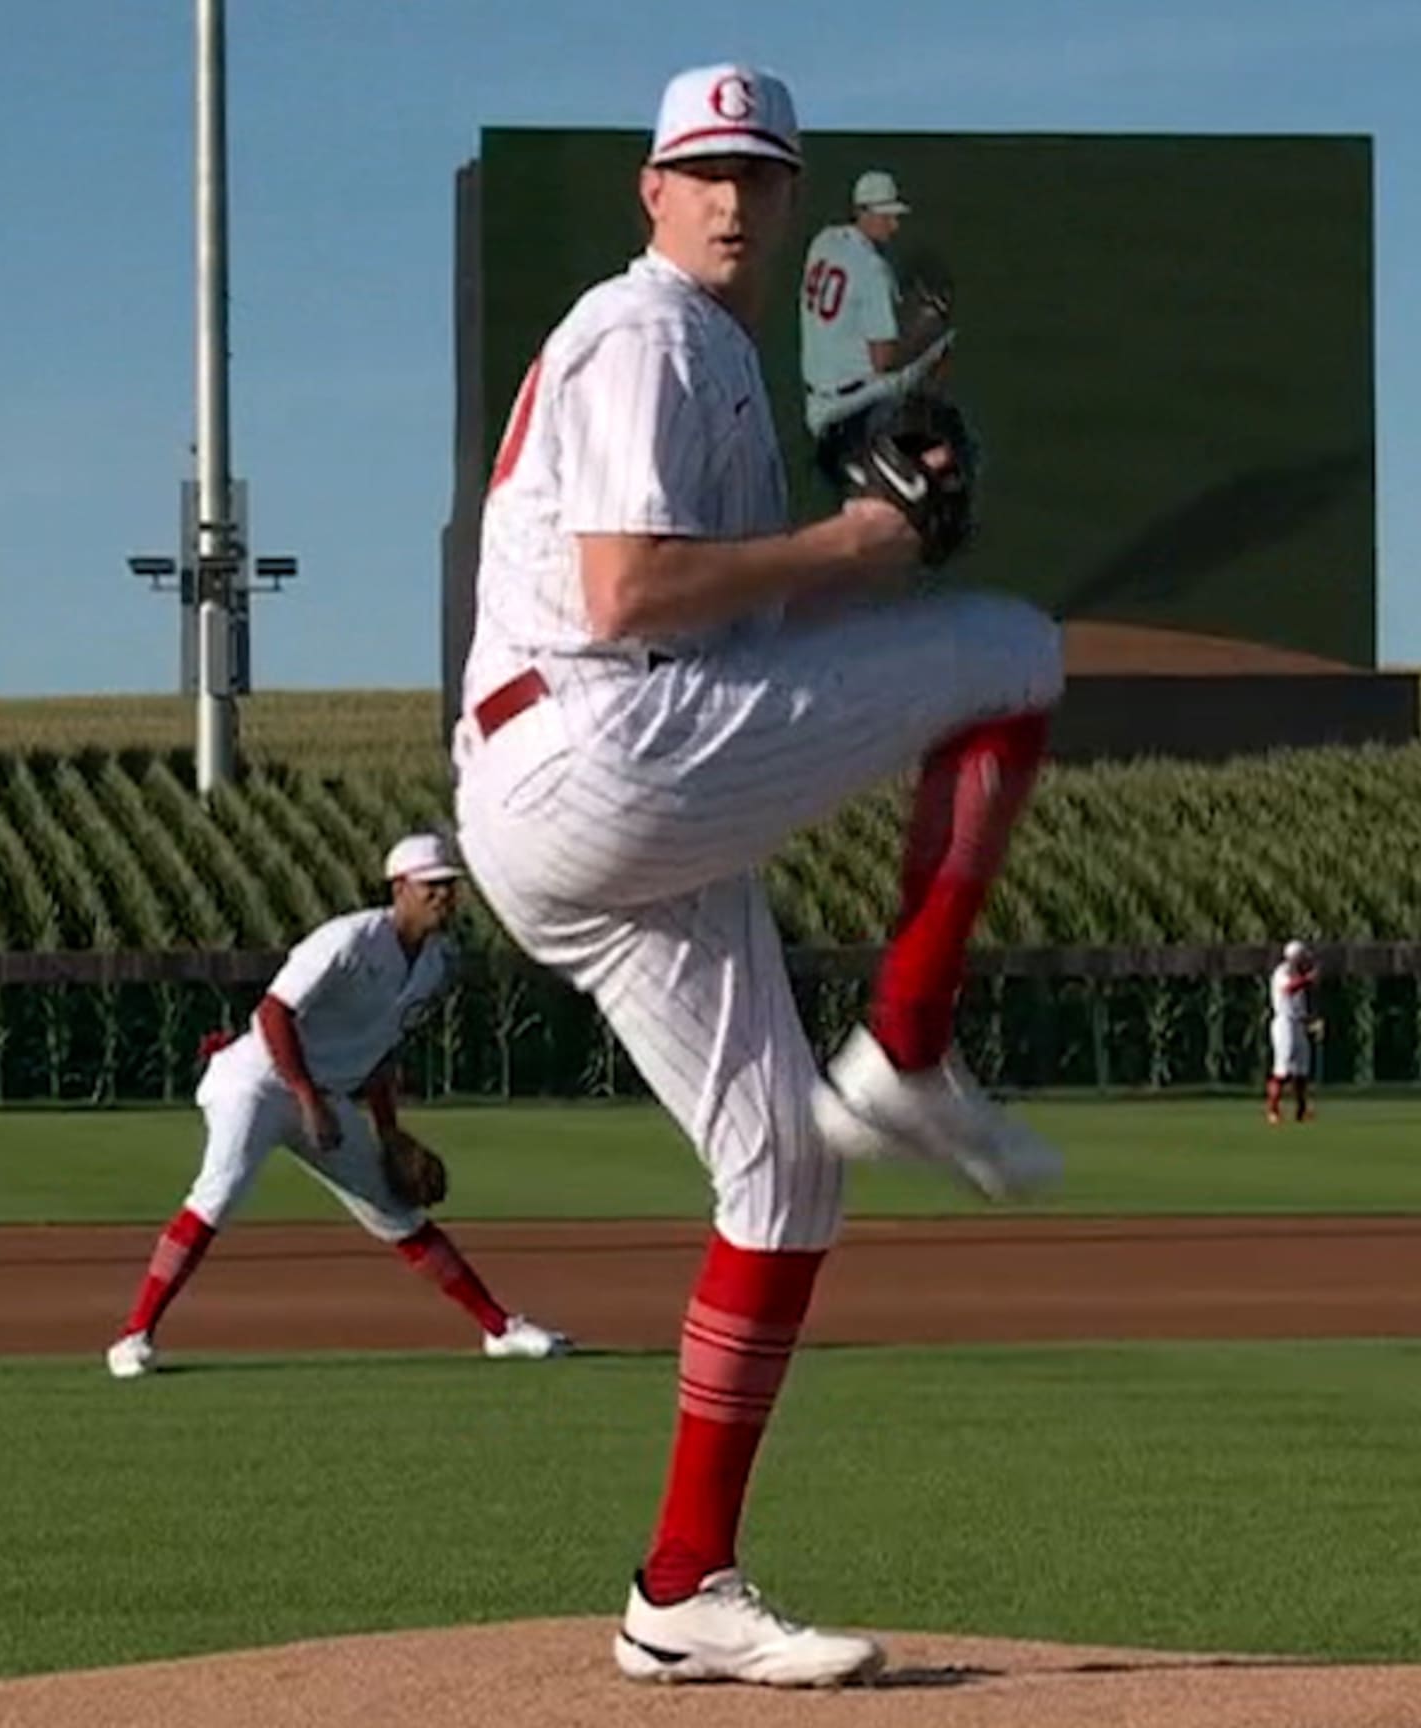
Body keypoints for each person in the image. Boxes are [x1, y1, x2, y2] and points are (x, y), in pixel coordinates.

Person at [450, 61, 1066, 1689]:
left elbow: (725, 613)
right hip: (598, 747)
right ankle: (914, 1051)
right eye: (701, 168)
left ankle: (679, 1587)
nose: (730, 195)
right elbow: (625, 588)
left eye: (760, 172)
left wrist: (860, 551)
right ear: (649, 191)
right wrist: (863, 549)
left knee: (784, 1173)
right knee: (1012, 651)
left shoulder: (711, 351)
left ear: (789, 204)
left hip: (586, 790)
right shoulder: (645, 331)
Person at [103, 832, 572, 1379]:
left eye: (450, 887)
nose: (444, 897)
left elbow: (379, 1050)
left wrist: (389, 1131)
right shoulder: (348, 940)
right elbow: (275, 1013)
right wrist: (307, 1099)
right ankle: (134, 1337)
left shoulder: (435, 964)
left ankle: (499, 1329)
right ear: (399, 888)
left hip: (321, 1093)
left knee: (397, 1213)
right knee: (218, 1194)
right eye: (432, 887)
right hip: (256, 1079)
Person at [797, 168, 954, 490]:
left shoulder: (824, 241)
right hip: (856, 406)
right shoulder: (873, 271)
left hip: (815, 402)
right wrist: (926, 324)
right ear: (862, 213)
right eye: (886, 217)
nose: (894, 226)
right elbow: (883, 360)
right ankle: (925, 453)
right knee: (944, 345)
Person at [1267, 938, 1320, 1124]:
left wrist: (1311, 1021)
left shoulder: (1298, 973)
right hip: (1284, 1023)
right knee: (1282, 1069)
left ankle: (1301, 1111)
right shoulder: (1282, 972)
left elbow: (1300, 1004)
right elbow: (1288, 989)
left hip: (1298, 1023)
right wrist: (1307, 980)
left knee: (1302, 1070)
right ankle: (1273, 1110)